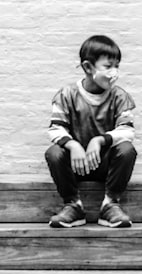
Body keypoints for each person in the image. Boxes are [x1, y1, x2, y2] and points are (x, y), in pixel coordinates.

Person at [45, 35, 136, 228]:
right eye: (108, 66)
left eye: (117, 66)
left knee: (127, 149)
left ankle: (110, 204)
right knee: (54, 152)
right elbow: (55, 129)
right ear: (88, 68)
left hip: (105, 166)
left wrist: (100, 140)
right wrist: (73, 144)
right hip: (75, 165)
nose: (114, 72)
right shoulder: (66, 94)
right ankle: (73, 205)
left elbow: (127, 131)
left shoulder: (120, 96)